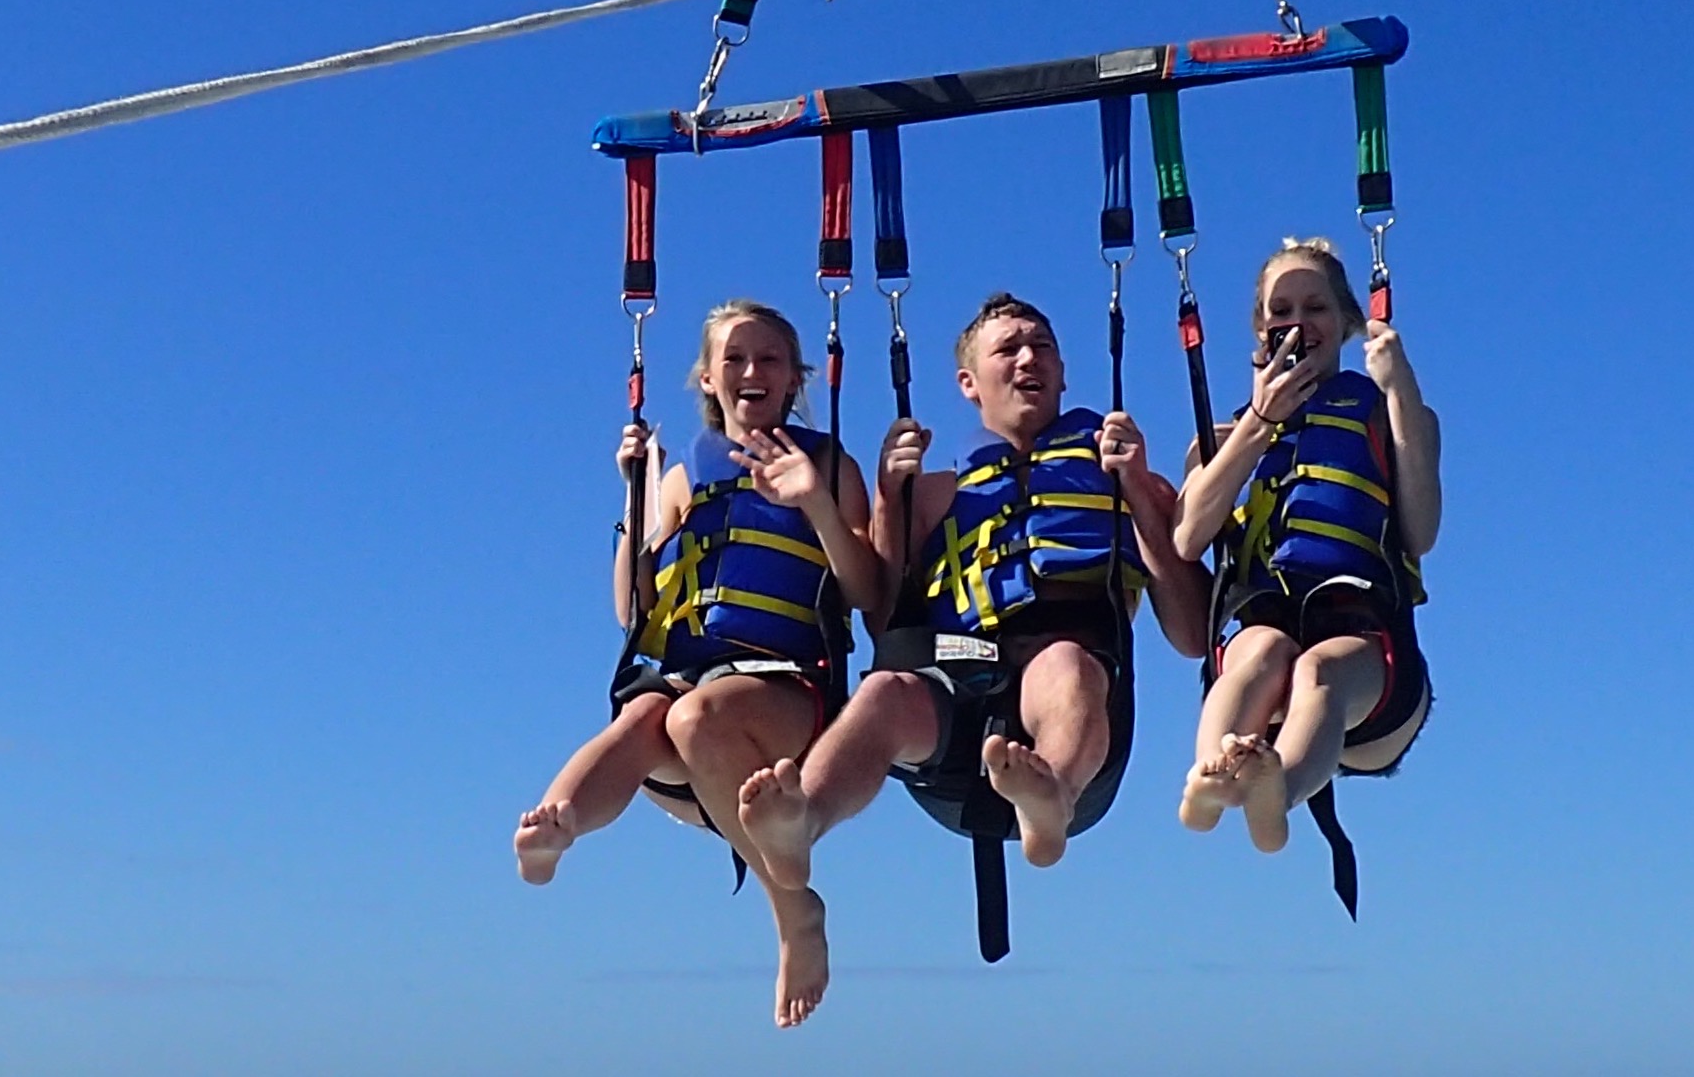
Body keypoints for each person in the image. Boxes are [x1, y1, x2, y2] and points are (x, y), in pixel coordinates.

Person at [738, 293, 1206, 897]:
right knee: (882, 691)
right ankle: (802, 822)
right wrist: (887, 501)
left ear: (1063, 374)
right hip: (953, 716)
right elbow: (886, 628)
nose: (1026, 358)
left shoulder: (1127, 481)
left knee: (1064, 663)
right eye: (1007, 348)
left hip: (1078, 724)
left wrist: (1139, 491)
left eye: (1041, 347)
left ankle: (1051, 799)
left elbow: (1192, 636)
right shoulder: (930, 494)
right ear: (969, 382)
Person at [512, 300, 878, 1029]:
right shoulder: (684, 475)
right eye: (734, 358)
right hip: (687, 712)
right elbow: (633, 610)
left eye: (769, 358)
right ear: (707, 378)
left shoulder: (830, 464)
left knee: (692, 713)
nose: (751, 371)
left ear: (795, 377)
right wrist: (638, 493)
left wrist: (814, 503)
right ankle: (557, 827)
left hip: (784, 704)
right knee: (649, 712)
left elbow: (871, 591)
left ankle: (790, 913)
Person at [1172, 238, 1442, 857]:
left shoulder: (1394, 414)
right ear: (1261, 329)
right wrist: (1259, 423)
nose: (1297, 324)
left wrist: (1399, 388)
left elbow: (1421, 531)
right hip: (1264, 645)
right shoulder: (1221, 437)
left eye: (1315, 308)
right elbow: (1189, 536)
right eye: (1281, 310)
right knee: (1263, 650)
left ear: (1348, 321)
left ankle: (1277, 793)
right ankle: (1210, 777)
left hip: (1367, 661)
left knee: (1316, 669)